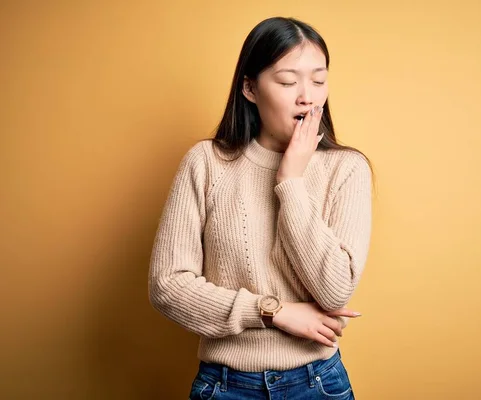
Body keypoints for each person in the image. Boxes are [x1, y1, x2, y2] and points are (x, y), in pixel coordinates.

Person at [149, 16, 373, 400]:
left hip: (317, 385)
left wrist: (290, 181)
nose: (308, 96)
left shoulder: (347, 169)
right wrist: (273, 310)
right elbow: (167, 286)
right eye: (288, 82)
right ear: (250, 88)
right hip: (224, 386)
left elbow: (334, 291)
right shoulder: (206, 163)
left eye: (319, 80)